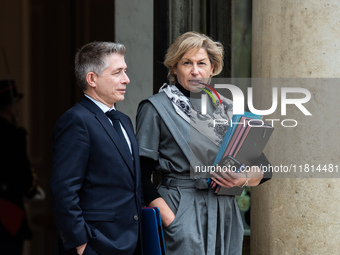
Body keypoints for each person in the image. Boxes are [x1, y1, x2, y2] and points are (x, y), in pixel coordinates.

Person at [136, 31, 272, 255]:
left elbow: (265, 169)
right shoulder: (155, 108)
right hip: (181, 208)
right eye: (186, 63)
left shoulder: (228, 109)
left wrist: (243, 178)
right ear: (174, 68)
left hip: (225, 212)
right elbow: (140, 174)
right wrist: (171, 219)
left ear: (212, 68)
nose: (195, 71)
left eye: (202, 63)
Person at [50, 42, 144, 255]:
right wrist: (80, 243)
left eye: (125, 71)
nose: (126, 79)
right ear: (92, 79)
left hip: (132, 243)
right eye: (117, 72)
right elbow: (64, 190)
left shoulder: (124, 120)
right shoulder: (76, 120)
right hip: (96, 243)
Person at [0, 79, 39, 255]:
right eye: (15, 104)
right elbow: (25, 180)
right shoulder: (14, 136)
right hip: (8, 216)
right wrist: (32, 189)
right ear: (9, 107)